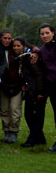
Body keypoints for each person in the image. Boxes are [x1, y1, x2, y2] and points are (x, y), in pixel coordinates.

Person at [12, 37, 46, 148]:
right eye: (14, 45)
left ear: (24, 46)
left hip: (36, 91)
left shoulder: (30, 57)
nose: (16, 48)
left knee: (33, 115)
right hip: (30, 90)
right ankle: (40, 138)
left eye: (18, 45)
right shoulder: (22, 58)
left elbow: (39, 75)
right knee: (31, 115)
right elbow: (25, 75)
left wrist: (40, 92)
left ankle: (32, 139)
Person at [0, 29, 21, 143]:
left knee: (15, 110)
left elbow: (29, 46)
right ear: (1, 38)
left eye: (9, 38)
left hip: (16, 85)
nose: (7, 40)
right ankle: (6, 131)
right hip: (2, 85)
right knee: (4, 110)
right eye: (5, 38)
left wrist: (35, 51)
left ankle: (14, 131)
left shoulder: (15, 48)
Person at [38, 23, 56, 152]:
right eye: (42, 34)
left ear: (53, 33)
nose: (45, 36)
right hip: (50, 85)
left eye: (47, 33)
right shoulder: (42, 50)